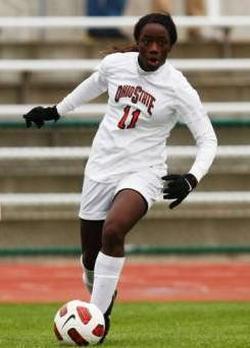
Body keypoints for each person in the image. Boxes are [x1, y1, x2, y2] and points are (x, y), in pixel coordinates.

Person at [23, 12, 217, 343]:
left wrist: (192, 178)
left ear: (171, 47)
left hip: (144, 172)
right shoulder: (116, 65)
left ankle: (97, 319)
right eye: (148, 41)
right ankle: (101, 294)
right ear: (138, 42)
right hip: (101, 167)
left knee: (113, 231)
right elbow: (93, 84)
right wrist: (57, 110)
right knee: (90, 257)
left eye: (162, 43)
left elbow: (208, 139)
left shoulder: (178, 88)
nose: (154, 48)